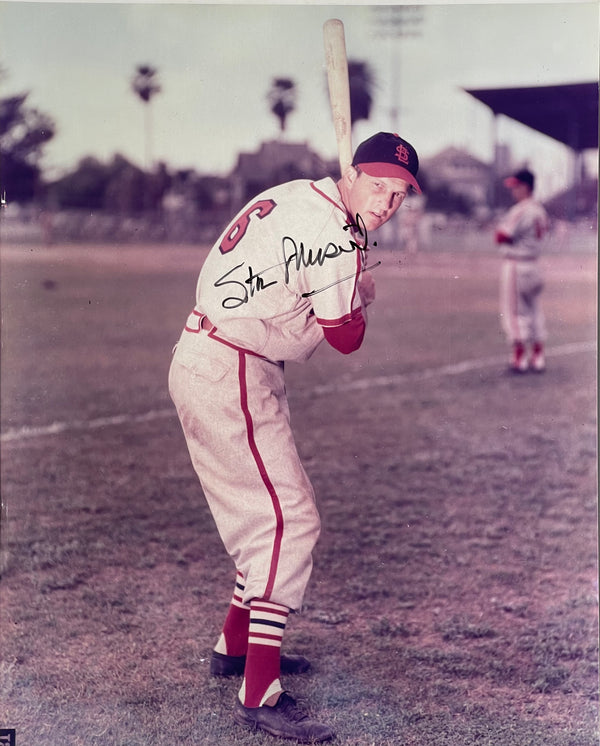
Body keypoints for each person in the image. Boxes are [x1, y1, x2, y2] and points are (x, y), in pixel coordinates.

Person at [168, 132, 421, 743]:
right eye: (379, 186)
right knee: (288, 521)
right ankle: (259, 692)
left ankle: (233, 646)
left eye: (400, 194)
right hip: (230, 366)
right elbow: (345, 339)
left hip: (221, 355)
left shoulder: (298, 196)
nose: (387, 202)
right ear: (353, 174)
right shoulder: (336, 235)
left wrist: (348, 258)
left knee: (269, 518)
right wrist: (359, 288)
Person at [494, 168, 549, 373]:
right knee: (535, 311)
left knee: (514, 312)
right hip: (535, 264)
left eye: (516, 186)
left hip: (517, 265)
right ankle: (538, 356)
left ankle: (519, 359)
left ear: (526, 187)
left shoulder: (521, 209)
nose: (513, 191)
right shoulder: (540, 209)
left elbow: (500, 236)